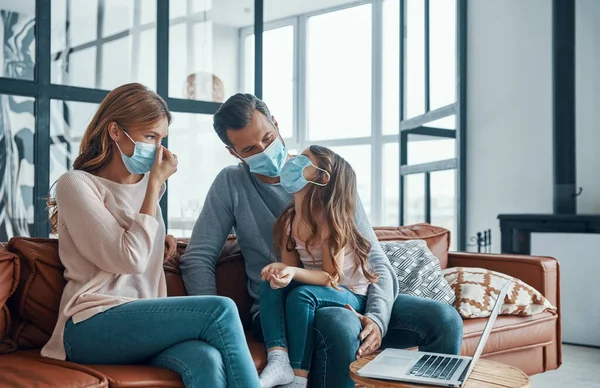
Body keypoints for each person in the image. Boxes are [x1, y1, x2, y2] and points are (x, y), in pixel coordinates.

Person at [180, 93, 463, 387]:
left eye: (268, 138)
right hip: (282, 309)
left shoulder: (326, 176)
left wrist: (377, 319)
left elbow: (373, 256)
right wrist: (215, 324)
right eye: (251, 148)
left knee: (444, 320)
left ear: (276, 124)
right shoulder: (231, 183)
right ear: (234, 153)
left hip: (346, 294)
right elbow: (198, 258)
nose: (264, 151)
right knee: (338, 323)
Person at [42, 83, 260, 388]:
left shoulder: (147, 187)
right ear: (115, 131)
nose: (159, 148)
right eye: (149, 137)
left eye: (161, 138)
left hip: (143, 322)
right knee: (220, 309)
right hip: (91, 324)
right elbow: (129, 258)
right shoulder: (76, 184)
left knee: (205, 357)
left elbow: (138, 244)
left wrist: (162, 236)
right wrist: (155, 186)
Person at [258, 145, 380, 388]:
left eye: (303, 160)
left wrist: (291, 272)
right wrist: (281, 271)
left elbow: (331, 277)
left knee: (301, 296)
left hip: (349, 293)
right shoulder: (289, 221)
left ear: (322, 177)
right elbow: (291, 272)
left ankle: (298, 379)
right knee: (269, 282)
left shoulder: (330, 221)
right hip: (319, 288)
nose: (292, 161)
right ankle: (278, 358)